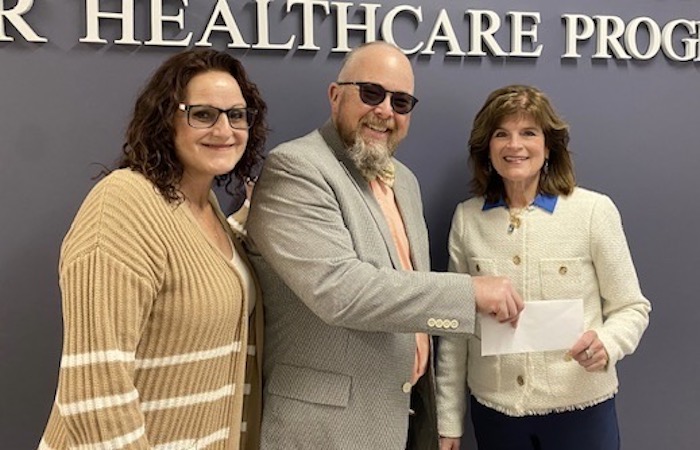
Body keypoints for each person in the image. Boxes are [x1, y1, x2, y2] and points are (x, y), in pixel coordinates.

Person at [245, 41, 523, 450]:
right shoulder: (296, 168)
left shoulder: (404, 181)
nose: (385, 110)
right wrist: (471, 292)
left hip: (404, 419)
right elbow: (342, 292)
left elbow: (406, 293)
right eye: (371, 93)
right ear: (335, 95)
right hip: (328, 432)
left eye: (401, 101)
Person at [38, 49, 267, 450]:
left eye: (236, 114)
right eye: (203, 114)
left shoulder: (204, 206)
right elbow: (94, 392)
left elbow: (198, 275)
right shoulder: (124, 203)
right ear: (166, 119)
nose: (225, 129)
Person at [435, 85, 651, 450]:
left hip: (580, 411)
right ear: (486, 148)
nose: (514, 145)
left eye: (528, 133)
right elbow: (456, 330)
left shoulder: (593, 212)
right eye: (501, 133)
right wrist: (449, 422)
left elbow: (632, 307)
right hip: (496, 415)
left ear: (549, 146)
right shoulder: (467, 219)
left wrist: (608, 343)